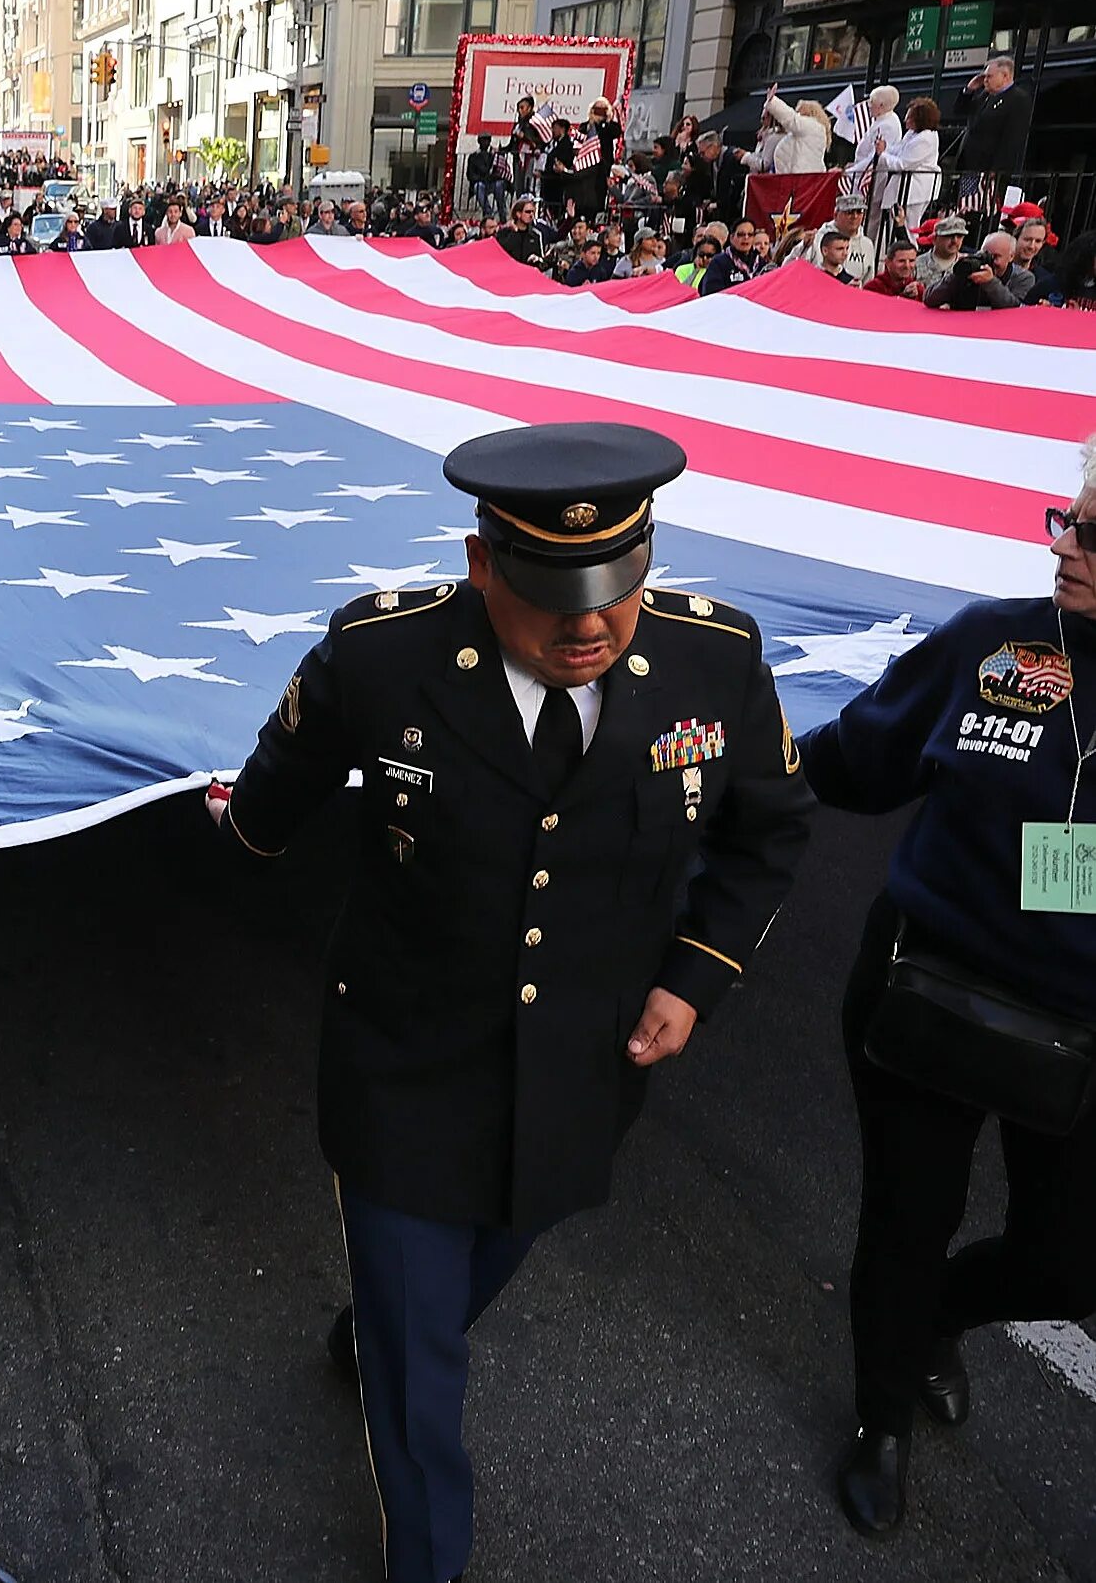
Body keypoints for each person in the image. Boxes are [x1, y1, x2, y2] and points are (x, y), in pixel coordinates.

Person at [211, 423, 813, 1583]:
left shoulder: (712, 661)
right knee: (425, 1372)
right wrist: (241, 829)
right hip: (405, 1062)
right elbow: (277, 782)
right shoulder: (383, 655)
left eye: (617, 586)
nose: (588, 624)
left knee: (482, 1259)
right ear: (482, 563)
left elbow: (771, 831)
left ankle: (381, 1325)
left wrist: (694, 977)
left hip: (584, 1067)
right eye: (550, 594)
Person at [801, 462, 1096, 1540]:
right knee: (904, 1219)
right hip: (923, 984)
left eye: (1093, 535)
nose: (1062, 544)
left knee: (1068, 1263)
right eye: (1069, 521)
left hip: (1085, 1035)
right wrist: (719, 764)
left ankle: (939, 1320)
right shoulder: (990, 639)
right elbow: (854, 758)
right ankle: (881, 1418)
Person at [954, 55, 1033, 189]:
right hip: (969, 165)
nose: (985, 80)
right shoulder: (985, 95)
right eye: (984, 76)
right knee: (964, 206)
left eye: (989, 76)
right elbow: (959, 111)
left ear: (1005, 76)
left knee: (980, 207)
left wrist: (997, 169)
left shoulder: (1018, 99)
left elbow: (1013, 137)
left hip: (988, 170)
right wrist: (969, 90)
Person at [882, 98, 943, 232]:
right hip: (905, 189)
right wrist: (886, 149)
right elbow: (898, 150)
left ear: (920, 119)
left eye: (909, 117)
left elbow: (904, 164)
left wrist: (882, 154)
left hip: (915, 191)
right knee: (894, 225)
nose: (905, 120)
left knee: (909, 227)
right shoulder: (912, 133)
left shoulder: (926, 138)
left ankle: (910, 251)